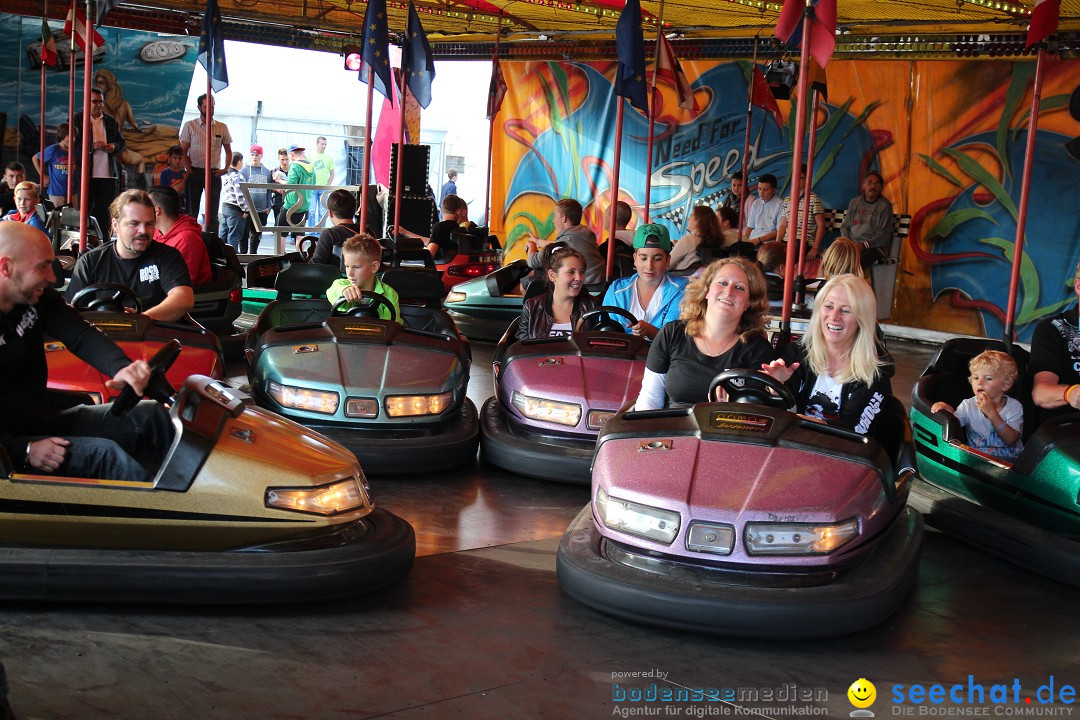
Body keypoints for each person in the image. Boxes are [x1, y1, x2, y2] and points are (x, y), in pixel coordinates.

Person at [0, 222, 173, 483]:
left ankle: (212, 493)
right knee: (105, 456)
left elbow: (79, 332)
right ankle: (176, 519)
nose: (53, 278)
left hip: (38, 420)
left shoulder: (38, 297)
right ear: (5, 267)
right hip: (11, 451)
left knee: (150, 414)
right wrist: (23, 450)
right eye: (43, 266)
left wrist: (121, 367)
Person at [634, 257, 775, 410]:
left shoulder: (757, 349)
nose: (728, 291)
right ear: (707, 291)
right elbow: (650, 398)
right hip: (671, 429)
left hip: (727, 430)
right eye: (722, 283)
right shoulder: (672, 334)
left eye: (739, 288)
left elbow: (758, 415)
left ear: (749, 303)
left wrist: (728, 412)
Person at [762, 274, 895, 434]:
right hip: (794, 446)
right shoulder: (799, 352)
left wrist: (807, 423)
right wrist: (777, 387)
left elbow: (855, 430)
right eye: (829, 306)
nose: (834, 317)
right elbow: (776, 416)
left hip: (841, 454)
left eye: (845, 311)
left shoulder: (875, 370)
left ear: (862, 319)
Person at [66, 189, 194, 322]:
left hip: (155, 335)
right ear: (115, 225)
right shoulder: (90, 262)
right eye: (134, 224)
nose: (143, 231)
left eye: (149, 224)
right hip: (105, 336)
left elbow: (184, 298)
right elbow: (72, 310)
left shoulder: (167, 256)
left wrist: (139, 320)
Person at [931, 350, 1023, 461]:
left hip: (1010, 462)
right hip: (977, 461)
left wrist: (992, 413)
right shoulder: (968, 405)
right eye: (976, 378)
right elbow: (953, 425)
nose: (979, 382)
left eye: (988, 378)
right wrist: (948, 410)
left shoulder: (1014, 407)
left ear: (1006, 384)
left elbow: (1010, 439)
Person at [602, 223, 688, 340]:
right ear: (635, 259)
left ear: (668, 260)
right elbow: (605, 331)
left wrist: (650, 330)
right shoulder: (616, 290)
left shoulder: (681, 290)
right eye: (643, 258)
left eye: (657, 259)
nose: (649, 265)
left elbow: (675, 337)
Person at [1030, 258, 1080, 423]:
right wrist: (1070, 393)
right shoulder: (1054, 329)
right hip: (1065, 432)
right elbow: (1040, 394)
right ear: (1079, 286)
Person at [72, 88, 125, 238]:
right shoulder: (77, 120)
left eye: (101, 101)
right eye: (95, 101)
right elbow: (71, 145)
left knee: (106, 211)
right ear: (86, 102)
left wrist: (113, 147)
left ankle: (105, 241)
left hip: (109, 174)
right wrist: (91, 146)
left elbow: (121, 142)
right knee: (84, 210)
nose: (99, 105)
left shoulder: (110, 120)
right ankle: (84, 241)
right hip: (86, 173)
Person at [517, 246, 599, 341]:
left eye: (582, 272)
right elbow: (521, 348)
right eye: (571, 272)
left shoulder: (593, 306)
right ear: (552, 275)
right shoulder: (531, 307)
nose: (579, 278)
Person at [179, 93, 233, 234]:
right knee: (191, 211)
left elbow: (228, 151)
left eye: (212, 105)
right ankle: (190, 239)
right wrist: (189, 169)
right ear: (199, 107)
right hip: (195, 172)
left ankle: (212, 243)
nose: (210, 109)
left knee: (213, 213)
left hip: (214, 173)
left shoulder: (222, 127)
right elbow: (183, 150)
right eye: (206, 106)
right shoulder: (190, 126)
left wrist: (226, 168)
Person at [526, 199, 604, 286]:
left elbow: (532, 261)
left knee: (528, 279)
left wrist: (531, 246)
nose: (553, 221)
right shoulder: (585, 235)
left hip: (582, 286)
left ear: (564, 218)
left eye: (555, 216)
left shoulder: (565, 243)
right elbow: (561, 243)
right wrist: (539, 242)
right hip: (597, 284)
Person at [325, 235, 400, 322]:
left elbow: (392, 326)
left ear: (374, 267)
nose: (349, 273)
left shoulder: (389, 294)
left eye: (356, 267)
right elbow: (332, 291)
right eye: (347, 266)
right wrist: (345, 290)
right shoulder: (341, 285)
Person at [148, 185, 212, 287]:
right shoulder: (156, 232)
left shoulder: (187, 240)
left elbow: (180, 284)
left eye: (146, 207)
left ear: (156, 210)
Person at [839, 171, 894, 271]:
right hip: (852, 244)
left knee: (854, 262)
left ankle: (852, 286)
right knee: (834, 256)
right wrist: (847, 242)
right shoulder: (854, 202)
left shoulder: (885, 206)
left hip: (875, 247)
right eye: (869, 182)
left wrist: (863, 245)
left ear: (881, 187)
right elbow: (845, 226)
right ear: (863, 185)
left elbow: (883, 235)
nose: (873, 186)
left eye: (877, 183)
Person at [775, 168, 826, 262]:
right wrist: (777, 243)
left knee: (791, 252)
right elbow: (783, 225)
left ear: (807, 180)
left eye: (800, 178)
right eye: (795, 177)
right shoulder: (787, 200)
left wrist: (815, 248)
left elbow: (821, 225)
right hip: (787, 241)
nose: (796, 180)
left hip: (804, 242)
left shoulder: (813, 199)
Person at [312, 189, 361, 266]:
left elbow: (316, 265)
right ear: (354, 210)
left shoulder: (329, 235)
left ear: (330, 213)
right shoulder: (367, 232)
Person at [670, 205, 725, 272]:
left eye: (691, 216)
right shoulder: (715, 241)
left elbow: (667, 264)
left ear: (698, 220)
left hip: (680, 279)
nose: (688, 219)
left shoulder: (688, 240)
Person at [240, 144, 273, 254]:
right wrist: (243, 208)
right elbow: (240, 191)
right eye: (253, 155)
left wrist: (269, 207)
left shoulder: (267, 172)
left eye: (257, 155)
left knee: (256, 235)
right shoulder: (244, 171)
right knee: (244, 235)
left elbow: (269, 190)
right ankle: (243, 255)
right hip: (248, 210)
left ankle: (253, 254)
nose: (255, 157)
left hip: (262, 210)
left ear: (261, 156)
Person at [33, 123, 73, 207]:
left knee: (73, 216)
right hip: (56, 192)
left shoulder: (75, 151)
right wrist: (43, 176)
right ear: (62, 136)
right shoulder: (53, 150)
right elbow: (35, 158)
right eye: (69, 136)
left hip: (73, 191)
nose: (73, 139)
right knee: (57, 216)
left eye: (74, 136)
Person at [427, 194, 476, 259]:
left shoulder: (439, 227)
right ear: (459, 212)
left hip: (441, 267)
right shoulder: (460, 229)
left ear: (441, 210)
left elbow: (429, 254)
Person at [278, 144, 315, 229]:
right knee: (299, 232)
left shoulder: (294, 165)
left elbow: (291, 184)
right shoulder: (311, 166)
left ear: (291, 154)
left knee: (280, 231)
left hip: (292, 204)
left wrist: (279, 180)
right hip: (305, 204)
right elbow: (314, 182)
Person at [219, 152, 250, 253]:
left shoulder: (225, 175)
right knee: (234, 236)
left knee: (224, 233)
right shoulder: (237, 176)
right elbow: (240, 196)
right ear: (239, 161)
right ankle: (233, 260)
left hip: (225, 207)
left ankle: (221, 257)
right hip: (235, 209)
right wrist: (246, 210)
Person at [742, 173, 783, 245]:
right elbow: (750, 227)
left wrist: (759, 239)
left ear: (774, 190)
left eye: (765, 190)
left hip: (768, 243)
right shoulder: (756, 203)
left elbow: (779, 231)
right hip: (753, 240)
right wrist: (743, 241)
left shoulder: (781, 205)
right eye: (759, 189)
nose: (761, 192)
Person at [307, 136, 335, 228]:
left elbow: (332, 174)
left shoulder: (329, 158)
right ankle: (311, 232)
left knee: (322, 212)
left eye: (325, 144)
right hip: (313, 188)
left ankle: (319, 234)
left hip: (323, 188)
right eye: (322, 144)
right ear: (317, 144)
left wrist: (328, 186)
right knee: (311, 211)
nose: (324, 146)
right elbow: (307, 172)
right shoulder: (310, 156)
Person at [158, 144, 189, 214]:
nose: (177, 160)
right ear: (170, 158)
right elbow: (163, 190)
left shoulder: (185, 174)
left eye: (180, 158)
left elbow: (187, 191)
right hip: (169, 203)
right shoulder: (165, 172)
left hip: (182, 205)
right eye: (175, 158)